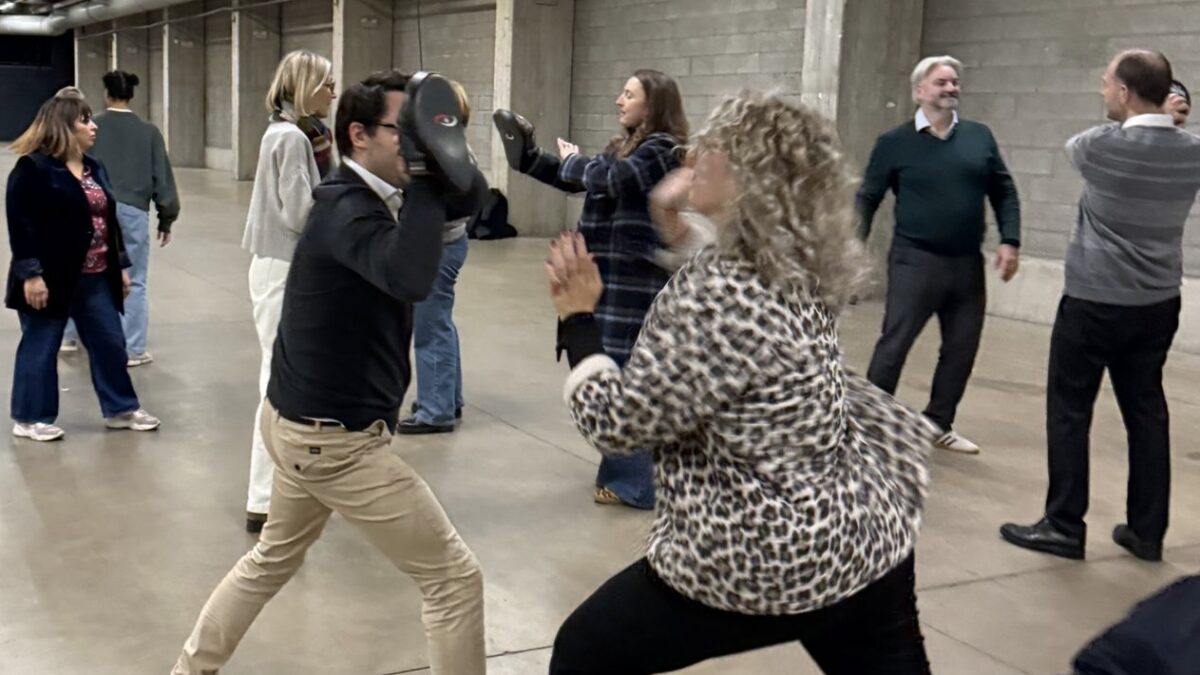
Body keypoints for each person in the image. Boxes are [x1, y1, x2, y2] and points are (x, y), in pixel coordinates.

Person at [545, 91, 937, 675]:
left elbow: (618, 424)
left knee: (585, 653)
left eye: (715, 147)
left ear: (752, 177)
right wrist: (672, 225)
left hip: (767, 554)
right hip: (864, 537)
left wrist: (579, 319)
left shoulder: (722, 297)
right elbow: (730, 281)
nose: (694, 153)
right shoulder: (793, 258)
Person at [171, 74, 488, 675]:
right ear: (359, 136)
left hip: (297, 424)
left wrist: (446, 148)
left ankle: (189, 669)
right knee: (454, 579)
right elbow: (408, 278)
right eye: (404, 132)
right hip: (334, 444)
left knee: (270, 559)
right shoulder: (345, 207)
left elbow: (471, 199)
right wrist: (427, 176)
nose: (412, 146)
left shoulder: (376, 196)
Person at [1000, 50, 1200, 563]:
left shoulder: (1096, 146)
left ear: (1127, 93)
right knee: (1147, 413)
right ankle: (1146, 532)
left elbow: (1082, 143)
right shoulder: (1192, 152)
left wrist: (1155, 121)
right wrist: (1172, 123)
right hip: (1157, 303)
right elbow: (1160, 133)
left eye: (1108, 82)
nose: (1102, 89)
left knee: (1070, 412)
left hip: (1093, 301)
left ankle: (1065, 526)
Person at [498, 69, 689, 509]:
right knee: (605, 364)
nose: (619, 101)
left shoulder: (662, 149)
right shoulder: (622, 150)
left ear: (654, 104)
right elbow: (584, 177)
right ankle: (627, 475)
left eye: (629, 94)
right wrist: (530, 159)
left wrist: (577, 162)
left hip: (633, 281)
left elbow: (614, 178)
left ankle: (636, 485)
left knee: (621, 375)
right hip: (605, 278)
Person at [857, 55, 1022, 455]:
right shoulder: (894, 143)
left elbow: (1004, 191)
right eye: (941, 83)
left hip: (966, 264)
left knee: (961, 348)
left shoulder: (979, 137)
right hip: (915, 260)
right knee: (894, 345)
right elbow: (868, 197)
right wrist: (852, 246)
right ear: (919, 91)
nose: (950, 89)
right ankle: (867, 428)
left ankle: (938, 423)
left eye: (954, 82)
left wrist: (1009, 240)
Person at [5, 87, 160, 442]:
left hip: (94, 278)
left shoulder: (94, 168)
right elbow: (21, 225)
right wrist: (31, 274)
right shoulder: (33, 169)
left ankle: (121, 408)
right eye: (85, 120)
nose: (94, 127)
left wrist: (120, 266)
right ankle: (30, 417)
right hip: (50, 278)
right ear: (63, 127)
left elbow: (108, 221)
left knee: (110, 343)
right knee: (41, 346)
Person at [242, 50, 336, 534]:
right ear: (303, 87)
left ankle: (276, 491)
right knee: (276, 384)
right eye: (325, 84)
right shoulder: (293, 139)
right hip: (281, 266)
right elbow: (300, 213)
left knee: (281, 379)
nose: (333, 92)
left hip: (276, 265)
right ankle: (264, 496)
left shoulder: (294, 135)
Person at [60, 70, 180, 367]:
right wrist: (166, 218)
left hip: (91, 206)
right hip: (133, 210)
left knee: (81, 271)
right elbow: (162, 179)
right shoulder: (149, 132)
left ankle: (70, 336)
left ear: (106, 94)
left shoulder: (90, 126)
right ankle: (132, 349)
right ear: (132, 96)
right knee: (135, 280)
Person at [399, 79, 474, 434]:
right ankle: (447, 398)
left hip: (440, 247)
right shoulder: (446, 149)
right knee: (439, 322)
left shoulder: (445, 153)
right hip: (445, 245)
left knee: (430, 328)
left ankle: (436, 410)